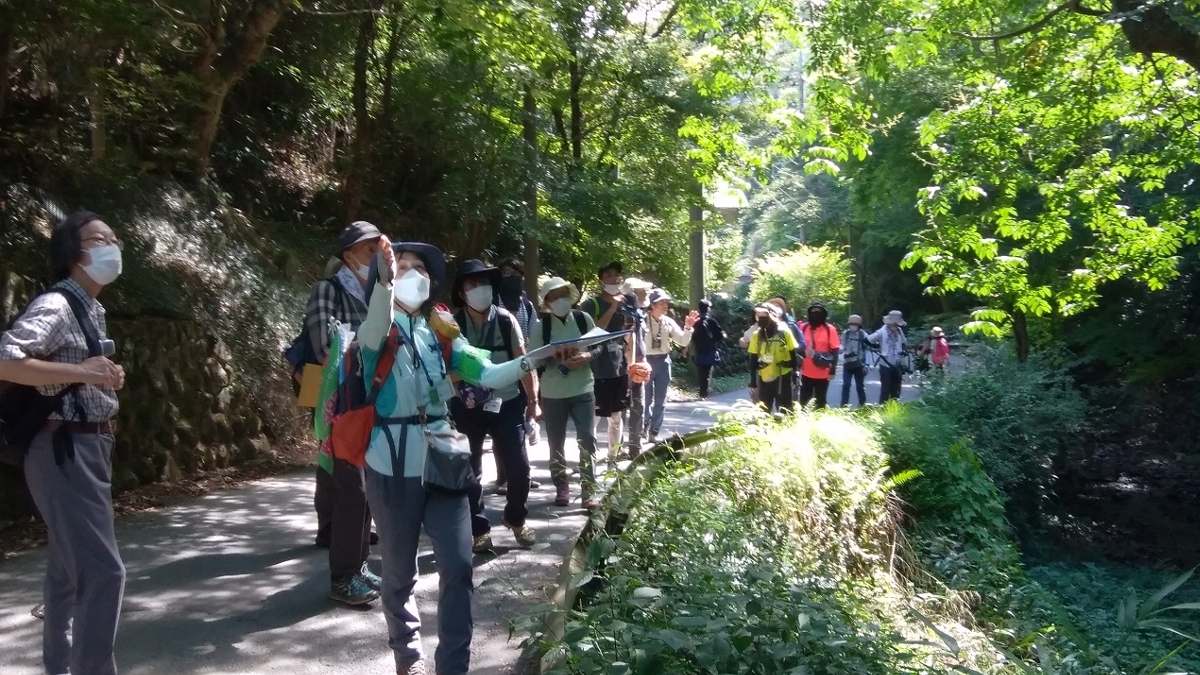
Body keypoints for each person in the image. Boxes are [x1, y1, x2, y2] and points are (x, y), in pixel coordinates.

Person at [0, 211, 127, 675]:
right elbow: (5, 358)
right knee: (104, 574)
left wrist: (100, 377)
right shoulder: (57, 304)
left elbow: (76, 374)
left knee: (66, 575)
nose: (111, 246)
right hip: (63, 450)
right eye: (99, 239)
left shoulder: (90, 308)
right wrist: (83, 371)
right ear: (73, 254)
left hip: (85, 450)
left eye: (114, 238)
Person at [306, 221, 383, 605]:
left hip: (370, 401)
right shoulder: (328, 289)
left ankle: (359, 564)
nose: (376, 259)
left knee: (366, 488)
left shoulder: (376, 294)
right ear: (349, 255)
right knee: (351, 490)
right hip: (342, 403)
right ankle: (342, 576)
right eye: (369, 252)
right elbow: (325, 347)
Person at [449, 260, 539, 553]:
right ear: (462, 293)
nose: (480, 289)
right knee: (470, 468)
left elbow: (523, 361)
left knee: (520, 466)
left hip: (508, 400)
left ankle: (516, 517)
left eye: (484, 283)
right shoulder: (450, 326)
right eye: (472, 285)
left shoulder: (505, 320)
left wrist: (533, 402)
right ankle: (480, 530)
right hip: (467, 405)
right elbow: (439, 371)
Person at [530, 277, 601, 508]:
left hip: (583, 387)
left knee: (587, 438)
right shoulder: (543, 326)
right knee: (555, 441)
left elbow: (600, 345)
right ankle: (561, 485)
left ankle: (589, 490)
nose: (560, 300)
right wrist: (555, 357)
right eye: (554, 297)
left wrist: (587, 356)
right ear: (547, 303)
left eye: (563, 294)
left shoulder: (583, 319)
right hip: (553, 391)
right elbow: (533, 359)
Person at [490, 256, 542, 493]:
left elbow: (533, 337)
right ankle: (503, 477)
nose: (510, 277)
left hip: (522, 368)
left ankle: (521, 475)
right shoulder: (493, 302)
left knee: (519, 424)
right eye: (506, 272)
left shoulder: (527, 305)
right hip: (499, 370)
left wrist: (533, 371)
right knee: (499, 424)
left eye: (515, 273)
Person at [582, 262, 632, 461]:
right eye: (609, 275)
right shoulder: (591, 305)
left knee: (617, 417)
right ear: (600, 281)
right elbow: (593, 333)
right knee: (592, 418)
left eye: (616, 276)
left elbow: (629, 333)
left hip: (619, 367)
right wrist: (612, 307)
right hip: (596, 369)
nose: (614, 279)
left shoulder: (625, 305)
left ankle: (613, 456)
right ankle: (589, 459)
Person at [642, 289, 698, 443]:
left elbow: (683, 341)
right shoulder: (642, 321)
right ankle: (643, 428)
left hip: (663, 361)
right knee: (644, 398)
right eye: (661, 302)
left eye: (666, 302)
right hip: (645, 362)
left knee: (661, 399)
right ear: (652, 305)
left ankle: (654, 432)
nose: (665, 305)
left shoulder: (668, 321)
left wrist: (688, 327)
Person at [620, 277, 653, 455]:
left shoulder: (640, 314)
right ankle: (617, 448)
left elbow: (640, 342)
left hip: (639, 365)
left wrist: (644, 360)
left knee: (638, 406)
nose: (645, 293)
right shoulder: (623, 314)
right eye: (641, 290)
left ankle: (634, 446)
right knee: (620, 409)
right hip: (623, 367)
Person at [747, 303, 798, 414]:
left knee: (784, 409)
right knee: (764, 410)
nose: (761, 319)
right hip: (765, 377)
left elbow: (793, 355)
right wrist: (752, 381)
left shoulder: (785, 333)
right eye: (759, 316)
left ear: (772, 316)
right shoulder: (757, 335)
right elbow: (753, 358)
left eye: (764, 316)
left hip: (783, 376)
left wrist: (795, 375)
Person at [799, 301, 840, 409]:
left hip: (823, 371)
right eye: (813, 311)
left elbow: (835, 350)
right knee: (804, 400)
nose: (815, 313)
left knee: (820, 400)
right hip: (806, 371)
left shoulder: (830, 329)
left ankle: (819, 423)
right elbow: (798, 346)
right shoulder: (803, 327)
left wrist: (833, 370)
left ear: (823, 313)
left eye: (818, 311)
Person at [868, 310, 907, 403]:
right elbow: (869, 340)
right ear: (889, 323)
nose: (895, 326)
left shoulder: (899, 331)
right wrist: (877, 347)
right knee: (885, 388)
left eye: (897, 324)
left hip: (897, 363)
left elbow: (904, 342)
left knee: (896, 388)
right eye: (894, 324)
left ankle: (894, 408)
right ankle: (883, 408)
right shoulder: (881, 332)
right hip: (885, 363)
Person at [691, 298, 726, 398]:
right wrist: (716, 339)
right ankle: (704, 394)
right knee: (707, 373)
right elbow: (720, 335)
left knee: (701, 372)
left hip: (698, 350)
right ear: (708, 309)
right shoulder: (711, 321)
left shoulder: (695, 321)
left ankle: (702, 392)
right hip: (710, 350)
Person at [839, 314, 870, 407]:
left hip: (859, 364)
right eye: (851, 324)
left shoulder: (863, 335)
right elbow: (843, 346)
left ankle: (863, 406)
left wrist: (866, 365)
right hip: (847, 363)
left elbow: (867, 350)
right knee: (846, 385)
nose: (852, 326)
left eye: (854, 324)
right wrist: (840, 350)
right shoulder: (846, 333)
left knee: (860, 387)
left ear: (859, 325)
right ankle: (843, 407)